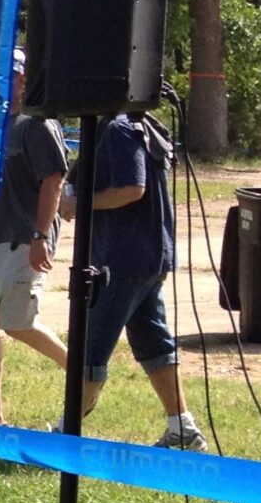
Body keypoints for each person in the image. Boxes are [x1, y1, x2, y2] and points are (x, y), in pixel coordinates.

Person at [74, 107, 206, 449]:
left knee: (91, 347)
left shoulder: (118, 130)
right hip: (148, 258)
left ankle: (65, 436)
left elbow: (132, 188)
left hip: (122, 260)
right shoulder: (130, 124)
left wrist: (80, 204)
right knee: (154, 344)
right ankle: (183, 428)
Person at [0, 49, 69, 424]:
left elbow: (55, 179)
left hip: (24, 237)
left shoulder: (38, 123)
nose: (7, 82)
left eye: (13, 75)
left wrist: (40, 234)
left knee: (18, 322)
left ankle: (83, 371)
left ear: (24, 79)